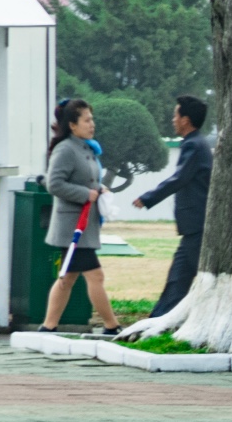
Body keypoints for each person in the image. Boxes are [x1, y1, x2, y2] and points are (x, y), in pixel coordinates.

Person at [39, 99, 124, 335]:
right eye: (86, 120)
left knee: (67, 278)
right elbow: (54, 184)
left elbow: (87, 178)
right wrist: (86, 194)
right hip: (73, 227)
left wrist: (99, 189)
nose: (92, 124)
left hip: (85, 225)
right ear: (72, 125)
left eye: (92, 119)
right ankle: (111, 326)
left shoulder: (86, 147)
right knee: (95, 275)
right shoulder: (65, 149)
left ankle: (48, 326)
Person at [134, 94, 213, 316]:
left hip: (197, 225)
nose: (173, 120)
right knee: (177, 280)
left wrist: (149, 197)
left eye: (175, 115)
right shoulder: (196, 144)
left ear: (185, 120)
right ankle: (156, 322)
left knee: (182, 280)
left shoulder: (194, 146)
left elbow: (179, 179)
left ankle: (158, 321)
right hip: (195, 227)